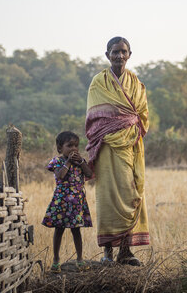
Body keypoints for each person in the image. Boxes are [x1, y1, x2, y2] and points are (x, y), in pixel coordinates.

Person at [85, 36, 149, 266]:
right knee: (107, 199)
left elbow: (143, 117)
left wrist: (127, 126)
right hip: (107, 148)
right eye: (115, 52)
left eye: (123, 52)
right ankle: (108, 254)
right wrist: (119, 125)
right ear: (107, 55)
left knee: (131, 195)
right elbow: (94, 116)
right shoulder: (98, 82)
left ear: (130, 54)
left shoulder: (137, 84)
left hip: (131, 147)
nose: (119, 56)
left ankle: (125, 252)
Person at [42, 131, 93, 273]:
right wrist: (69, 162)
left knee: (76, 231)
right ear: (60, 148)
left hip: (76, 202)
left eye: (76, 146)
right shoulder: (57, 161)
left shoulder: (80, 162)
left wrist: (81, 162)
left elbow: (89, 174)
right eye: (69, 145)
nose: (74, 149)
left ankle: (80, 259)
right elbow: (60, 175)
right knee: (59, 230)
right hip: (61, 202)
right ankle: (56, 260)